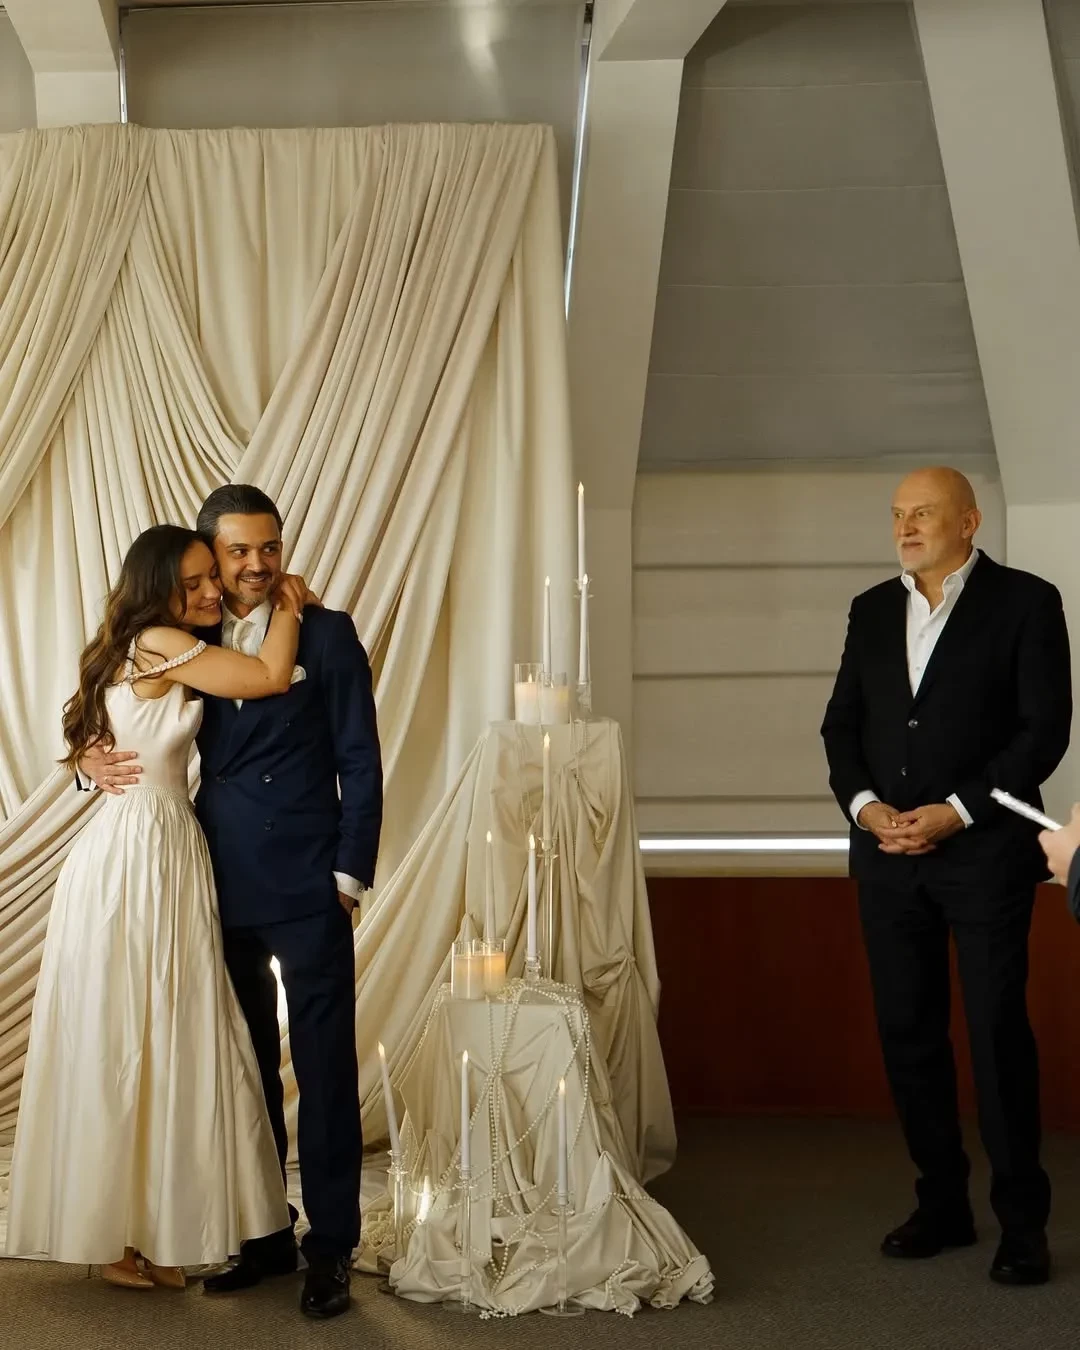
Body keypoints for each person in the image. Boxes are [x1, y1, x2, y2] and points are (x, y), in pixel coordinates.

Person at [80, 485, 382, 1321]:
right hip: (211, 879)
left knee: (324, 1070)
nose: (255, 565)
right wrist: (87, 766)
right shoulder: (189, 634)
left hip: (310, 883)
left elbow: (360, 760)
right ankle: (264, 1233)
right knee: (239, 1068)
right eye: (237, 552)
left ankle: (331, 1247)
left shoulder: (327, 632)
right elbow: (118, 716)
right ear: (211, 557)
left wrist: (348, 876)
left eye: (268, 548)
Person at [6, 524, 311, 1289]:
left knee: (153, 1031)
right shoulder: (158, 640)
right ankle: (117, 1237)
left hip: (152, 846)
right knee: (132, 1032)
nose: (210, 591)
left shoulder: (134, 645)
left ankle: (145, 1230)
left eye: (212, 577)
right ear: (158, 589)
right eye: (194, 581)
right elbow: (269, 676)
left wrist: (86, 760)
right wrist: (291, 604)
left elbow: (94, 736)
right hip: (140, 852)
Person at [821, 467, 1071, 1287]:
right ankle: (942, 1204)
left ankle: (1023, 1226)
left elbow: (1044, 732)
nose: (906, 527)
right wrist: (866, 809)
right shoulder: (869, 609)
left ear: (969, 521)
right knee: (908, 1033)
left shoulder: (1027, 602)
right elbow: (842, 727)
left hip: (986, 856)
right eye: (898, 514)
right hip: (887, 858)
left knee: (997, 1035)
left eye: (923, 513)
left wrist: (957, 811)